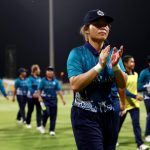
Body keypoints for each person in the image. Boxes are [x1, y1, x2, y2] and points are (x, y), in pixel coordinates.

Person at [67, 9, 126, 150]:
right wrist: (99, 66)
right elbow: (75, 85)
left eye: (106, 25)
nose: (103, 27)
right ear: (86, 29)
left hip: (111, 114)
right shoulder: (77, 53)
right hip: (86, 115)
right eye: (97, 24)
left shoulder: (113, 53)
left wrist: (116, 67)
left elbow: (122, 84)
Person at [118, 55, 149, 150]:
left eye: (134, 61)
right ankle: (113, 139)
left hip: (134, 104)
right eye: (131, 61)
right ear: (125, 63)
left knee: (136, 125)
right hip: (123, 104)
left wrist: (145, 88)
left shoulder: (136, 74)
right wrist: (136, 96)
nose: (133, 63)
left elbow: (136, 88)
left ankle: (140, 145)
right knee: (117, 125)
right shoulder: (123, 75)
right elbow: (123, 90)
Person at [38, 66, 66, 136]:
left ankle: (52, 130)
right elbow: (39, 90)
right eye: (48, 70)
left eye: (51, 70)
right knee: (46, 112)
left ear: (53, 72)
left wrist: (63, 99)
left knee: (53, 115)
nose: (50, 72)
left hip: (53, 100)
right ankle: (42, 126)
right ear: (46, 72)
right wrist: (39, 97)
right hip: (44, 100)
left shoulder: (56, 81)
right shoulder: (43, 80)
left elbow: (59, 91)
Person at [26, 64, 44, 133]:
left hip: (38, 97)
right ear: (35, 70)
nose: (39, 70)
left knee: (39, 111)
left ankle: (39, 125)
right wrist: (35, 93)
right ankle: (28, 123)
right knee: (30, 110)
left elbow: (41, 88)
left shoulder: (39, 79)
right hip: (31, 97)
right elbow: (29, 87)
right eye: (38, 69)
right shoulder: (30, 78)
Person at [138, 55, 150, 142]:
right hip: (147, 96)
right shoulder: (144, 72)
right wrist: (147, 87)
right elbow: (138, 86)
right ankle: (147, 134)